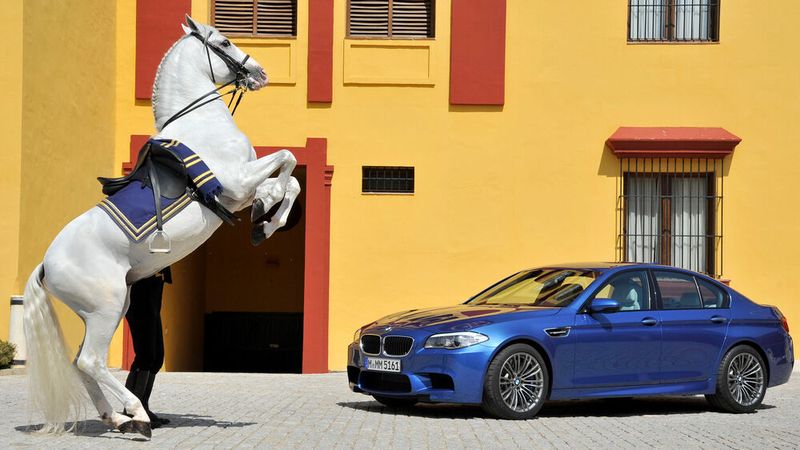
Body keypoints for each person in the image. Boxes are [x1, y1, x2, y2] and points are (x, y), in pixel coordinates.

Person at [124, 267, 171, 428]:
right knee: (146, 355)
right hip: (140, 291)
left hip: (153, 289)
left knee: (157, 357)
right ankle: (133, 411)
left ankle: (143, 405)